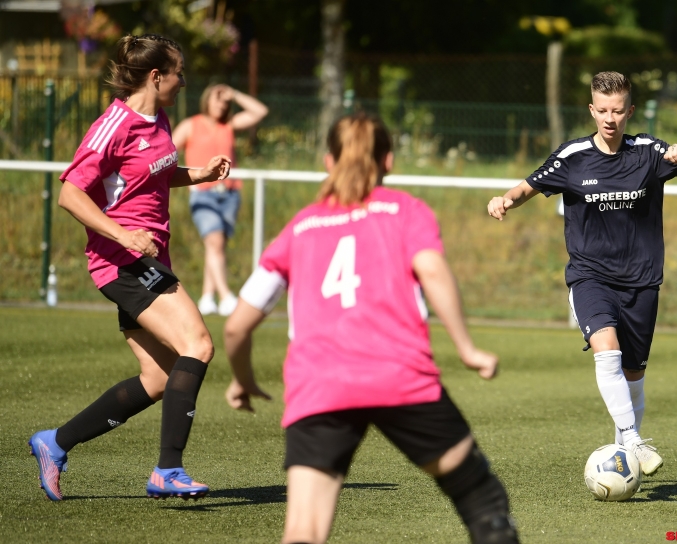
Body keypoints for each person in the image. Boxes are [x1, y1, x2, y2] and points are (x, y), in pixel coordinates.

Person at [223, 113, 520, 544]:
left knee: (304, 531)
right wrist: (467, 349)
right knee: (480, 497)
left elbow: (236, 327)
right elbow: (433, 271)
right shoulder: (407, 211)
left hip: (319, 386)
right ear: (389, 160)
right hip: (398, 376)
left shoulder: (299, 227)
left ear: (328, 161)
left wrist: (243, 379)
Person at [28, 34, 232, 501]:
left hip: (147, 258)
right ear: (156, 77)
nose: (184, 82)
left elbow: (151, 174)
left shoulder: (159, 118)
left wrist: (199, 174)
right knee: (198, 345)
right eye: (179, 73)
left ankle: (55, 443)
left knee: (158, 379)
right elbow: (70, 194)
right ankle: (168, 470)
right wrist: (124, 235)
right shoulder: (113, 125)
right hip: (122, 261)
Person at [487, 71, 677, 477]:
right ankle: (633, 441)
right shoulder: (572, 156)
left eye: (618, 111)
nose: (610, 118)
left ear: (630, 111)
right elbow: (527, 187)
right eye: (603, 110)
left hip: (642, 279)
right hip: (590, 275)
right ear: (592, 110)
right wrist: (503, 199)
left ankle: (624, 453)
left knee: (633, 375)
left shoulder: (650, 152)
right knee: (607, 350)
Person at [171, 84, 268, 317]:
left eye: (225, 102)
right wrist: (187, 177)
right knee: (214, 242)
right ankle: (226, 296)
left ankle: (207, 297)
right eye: (217, 99)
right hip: (203, 194)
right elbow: (166, 153)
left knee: (216, 246)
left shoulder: (229, 125)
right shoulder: (191, 125)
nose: (221, 105)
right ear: (206, 100)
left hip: (229, 194)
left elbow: (260, 112)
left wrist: (235, 94)